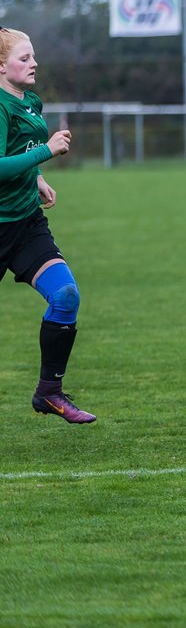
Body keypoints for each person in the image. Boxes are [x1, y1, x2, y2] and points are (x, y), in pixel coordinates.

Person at [0, 27, 93, 423]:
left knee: (66, 295)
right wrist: (46, 151)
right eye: (24, 58)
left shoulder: (29, 101)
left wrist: (35, 177)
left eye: (33, 56)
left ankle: (49, 393)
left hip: (24, 226)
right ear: (1, 66)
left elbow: (17, 154)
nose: (34, 63)